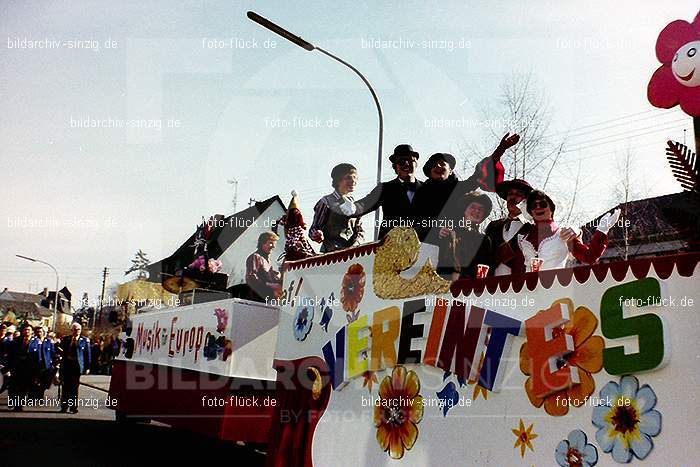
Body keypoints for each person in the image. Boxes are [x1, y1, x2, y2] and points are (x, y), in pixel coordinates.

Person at [516, 190, 620, 271]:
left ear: (552, 208)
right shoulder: (522, 238)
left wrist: (602, 230)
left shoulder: (564, 235)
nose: (538, 207)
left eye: (543, 204)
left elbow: (590, 257)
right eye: (533, 205)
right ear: (530, 211)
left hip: (556, 291)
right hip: (529, 294)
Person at [340, 144, 422, 238]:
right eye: (401, 161)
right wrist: (351, 208)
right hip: (391, 245)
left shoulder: (427, 189)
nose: (406, 163)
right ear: (395, 167)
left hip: (421, 245)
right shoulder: (385, 188)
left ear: (416, 163)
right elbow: (365, 204)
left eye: (410, 160)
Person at [310, 163, 365, 252]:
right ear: (338, 180)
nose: (353, 181)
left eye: (355, 177)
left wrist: (356, 244)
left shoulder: (356, 206)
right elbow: (314, 228)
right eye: (348, 177)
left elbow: (360, 231)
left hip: (352, 254)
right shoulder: (326, 202)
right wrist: (317, 234)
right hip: (331, 254)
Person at [484, 178, 534, 276]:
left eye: (518, 194)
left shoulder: (532, 228)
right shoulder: (493, 226)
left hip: (521, 285)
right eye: (510, 194)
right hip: (492, 285)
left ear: (526, 201)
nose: (513, 197)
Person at [452, 191, 494, 280]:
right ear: (464, 210)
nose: (476, 211)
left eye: (481, 209)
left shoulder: (485, 240)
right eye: (473, 207)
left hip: (472, 286)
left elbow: (486, 266)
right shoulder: (451, 231)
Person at [58, 322, 91, 413]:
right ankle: (64, 406)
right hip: (67, 365)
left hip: (77, 366)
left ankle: (73, 407)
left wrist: (87, 367)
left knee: (74, 388)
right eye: (75, 329)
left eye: (78, 330)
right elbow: (60, 349)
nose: (77, 331)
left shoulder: (84, 340)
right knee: (65, 387)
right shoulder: (66, 339)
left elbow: (87, 355)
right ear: (72, 330)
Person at [7, 325, 39, 411]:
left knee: (24, 387)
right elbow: (11, 354)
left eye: (29, 330)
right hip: (17, 367)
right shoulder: (16, 341)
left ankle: (19, 405)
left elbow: (38, 356)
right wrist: (8, 367)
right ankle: (13, 401)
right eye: (25, 330)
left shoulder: (36, 341)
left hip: (28, 368)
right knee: (14, 386)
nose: (27, 331)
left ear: (32, 331)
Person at [246, 232, 283, 303]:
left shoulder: (267, 261)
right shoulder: (256, 257)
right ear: (262, 243)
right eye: (271, 243)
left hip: (268, 302)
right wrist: (271, 285)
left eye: (274, 244)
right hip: (257, 302)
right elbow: (251, 279)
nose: (273, 246)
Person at [31, 326, 55, 399]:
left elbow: (52, 352)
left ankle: (40, 395)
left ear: (43, 333)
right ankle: (33, 395)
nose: (39, 333)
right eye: (37, 332)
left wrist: (53, 362)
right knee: (35, 380)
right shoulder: (33, 341)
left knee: (44, 381)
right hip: (36, 364)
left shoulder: (48, 341)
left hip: (46, 364)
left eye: (40, 332)